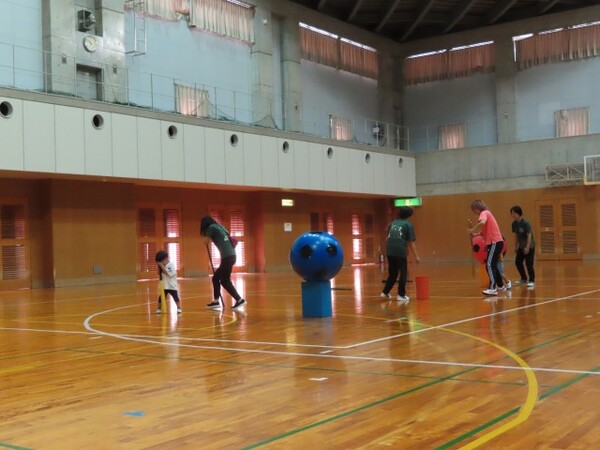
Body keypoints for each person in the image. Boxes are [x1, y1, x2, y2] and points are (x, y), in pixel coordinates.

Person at [200, 215, 246, 310]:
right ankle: (216, 301)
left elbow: (206, 241)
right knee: (215, 278)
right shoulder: (221, 227)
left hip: (227, 257)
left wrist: (205, 237)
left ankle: (239, 300)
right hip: (231, 255)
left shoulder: (211, 228)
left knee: (225, 281)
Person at [380, 206, 420, 305]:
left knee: (393, 273)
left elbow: (388, 237)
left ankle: (385, 292)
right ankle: (401, 295)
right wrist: (416, 256)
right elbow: (411, 242)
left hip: (389, 250)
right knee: (403, 272)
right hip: (400, 250)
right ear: (409, 215)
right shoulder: (408, 225)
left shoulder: (392, 223)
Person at [468, 200, 505, 296]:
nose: (474, 212)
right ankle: (500, 285)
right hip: (496, 242)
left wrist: (472, 229)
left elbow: (483, 222)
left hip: (494, 242)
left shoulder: (484, 213)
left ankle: (492, 288)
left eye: (474, 210)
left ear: (477, 208)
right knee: (493, 265)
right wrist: (475, 234)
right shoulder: (488, 213)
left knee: (489, 264)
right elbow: (484, 231)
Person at [510, 205, 536, 287]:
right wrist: (515, 246)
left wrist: (527, 247)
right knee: (518, 262)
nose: (513, 215)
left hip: (529, 246)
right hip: (521, 246)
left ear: (519, 213)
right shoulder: (514, 224)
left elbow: (529, 235)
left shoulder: (525, 223)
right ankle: (524, 278)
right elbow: (516, 236)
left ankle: (531, 280)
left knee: (529, 264)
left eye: (514, 213)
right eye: (512, 213)